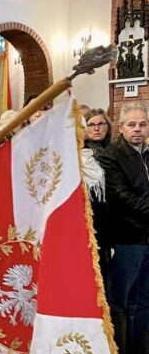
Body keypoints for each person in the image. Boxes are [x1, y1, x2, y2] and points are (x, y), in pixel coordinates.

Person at [99, 103, 149, 354]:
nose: (138, 130)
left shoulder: (148, 153)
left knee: (145, 297)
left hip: (146, 235)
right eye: (132, 125)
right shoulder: (111, 156)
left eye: (142, 124)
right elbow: (121, 197)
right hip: (126, 237)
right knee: (121, 299)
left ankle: (138, 349)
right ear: (120, 128)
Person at [82, 109, 112, 291]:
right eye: (91, 125)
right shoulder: (82, 155)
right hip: (93, 218)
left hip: (112, 217)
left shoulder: (115, 151)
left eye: (101, 124)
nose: (97, 128)